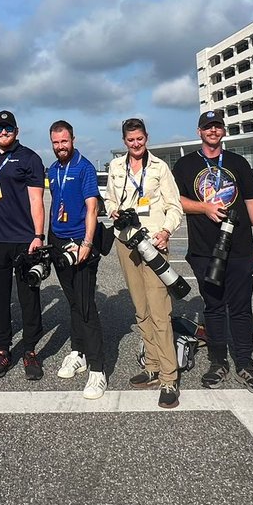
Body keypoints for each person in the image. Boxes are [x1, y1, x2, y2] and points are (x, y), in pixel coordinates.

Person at [173, 110, 253, 395]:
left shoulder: (238, 163)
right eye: (207, 127)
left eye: (217, 127)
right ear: (199, 131)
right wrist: (204, 207)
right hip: (204, 249)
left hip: (239, 248)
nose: (213, 131)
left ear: (223, 131)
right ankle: (217, 362)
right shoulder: (185, 165)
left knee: (240, 309)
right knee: (213, 308)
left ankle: (245, 363)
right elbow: (176, 200)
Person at [106, 118, 184, 409]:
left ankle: (168, 377)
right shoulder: (116, 167)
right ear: (124, 141)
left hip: (153, 243)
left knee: (160, 311)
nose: (136, 144)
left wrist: (165, 232)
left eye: (139, 139)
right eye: (130, 140)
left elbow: (175, 206)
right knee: (140, 309)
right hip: (125, 242)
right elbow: (110, 201)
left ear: (146, 138)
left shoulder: (160, 168)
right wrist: (114, 211)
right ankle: (151, 365)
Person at [0, 110, 48, 380]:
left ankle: (30, 351)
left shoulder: (29, 158)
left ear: (16, 131)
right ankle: (3, 350)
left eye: (8, 129)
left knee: (28, 298)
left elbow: (36, 201)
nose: (3, 133)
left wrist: (38, 236)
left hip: (23, 240)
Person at [46, 120, 107, 399]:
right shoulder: (54, 168)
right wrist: (49, 243)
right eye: (56, 142)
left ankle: (98, 369)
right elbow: (56, 205)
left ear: (73, 139)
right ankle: (78, 352)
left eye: (64, 141)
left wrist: (87, 243)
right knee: (72, 302)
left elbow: (92, 208)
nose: (60, 147)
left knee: (85, 305)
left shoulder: (84, 167)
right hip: (59, 242)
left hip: (81, 243)